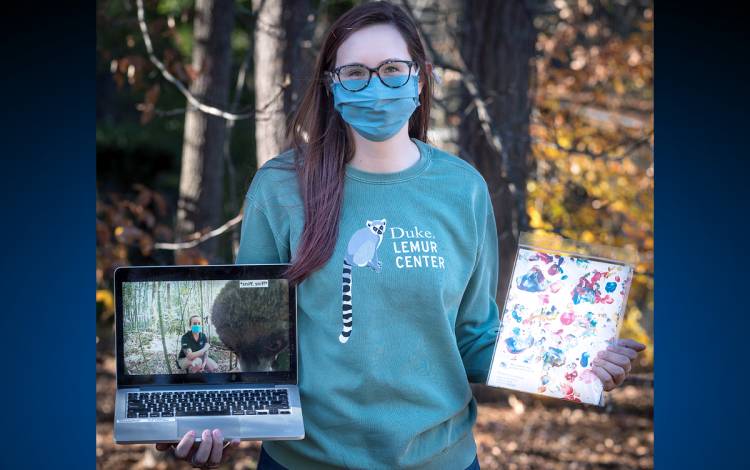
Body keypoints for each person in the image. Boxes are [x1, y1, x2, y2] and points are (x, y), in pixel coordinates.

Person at [158, 2, 646, 468]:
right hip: (305, 462)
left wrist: (574, 363)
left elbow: (474, 338)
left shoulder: (463, 190)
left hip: (442, 460)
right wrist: (206, 418)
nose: (376, 87)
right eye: (355, 73)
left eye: (392, 69)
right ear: (331, 85)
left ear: (420, 76)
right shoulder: (282, 186)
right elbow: (254, 337)